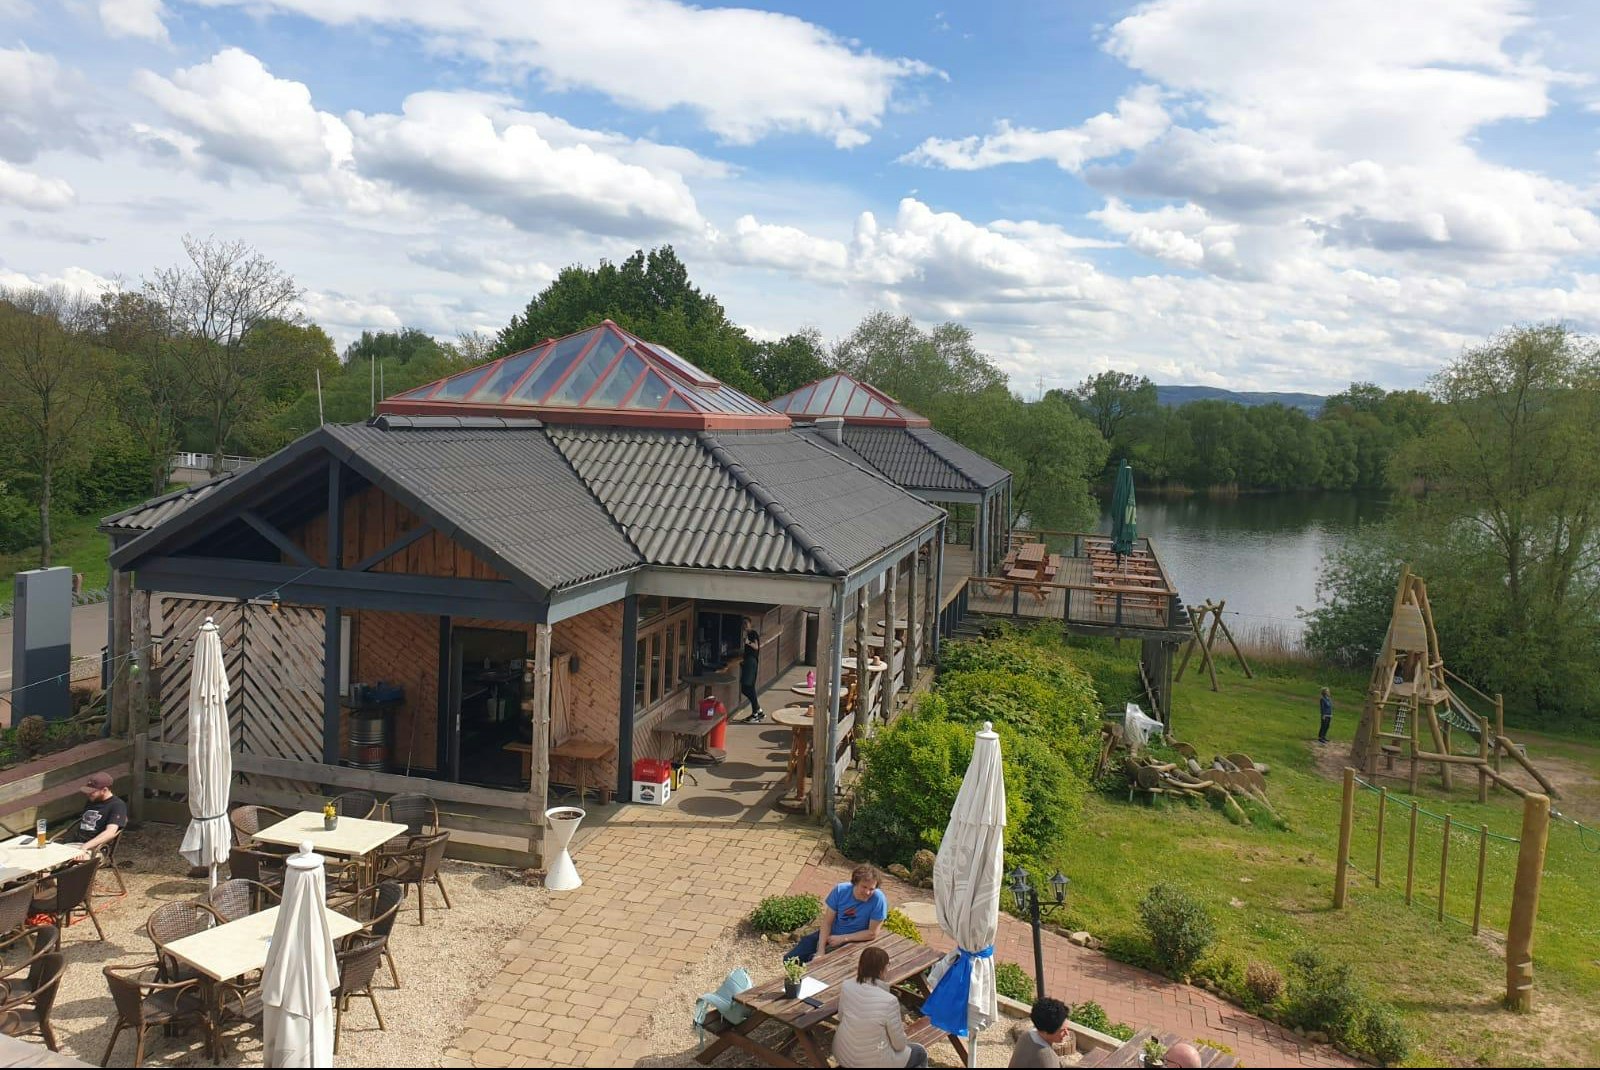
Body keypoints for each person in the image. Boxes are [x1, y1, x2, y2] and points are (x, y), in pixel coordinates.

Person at [834, 945, 927, 1068]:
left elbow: (842, 1018)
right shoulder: (889, 1001)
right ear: (881, 970)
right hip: (873, 1063)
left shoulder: (847, 986)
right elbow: (899, 1045)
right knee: (919, 1052)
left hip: (844, 1055)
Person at [786, 864, 887, 964]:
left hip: (855, 940)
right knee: (790, 959)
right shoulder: (840, 890)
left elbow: (872, 933)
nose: (868, 892)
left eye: (871, 889)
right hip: (832, 933)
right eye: (864, 887)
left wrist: (843, 938)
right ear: (855, 883)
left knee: (820, 967)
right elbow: (827, 923)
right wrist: (820, 951)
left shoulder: (878, 899)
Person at [68, 771, 128, 862]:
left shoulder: (117, 805)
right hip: (76, 844)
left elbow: (110, 832)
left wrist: (85, 847)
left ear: (104, 790)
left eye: (92, 792)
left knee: (71, 863)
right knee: (48, 859)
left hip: (97, 849)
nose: (88, 794)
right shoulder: (92, 800)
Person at [1009, 996, 1070, 1068]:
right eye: (1062, 1031)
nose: (1067, 1033)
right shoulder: (1048, 1058)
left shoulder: (1027, 1035)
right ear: (1046, 1031)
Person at [740, 625, 764, 724]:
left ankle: (756, 713)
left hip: (751, 662)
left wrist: (747, 642)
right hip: (749, 662)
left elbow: (756, 646)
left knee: (746, 688)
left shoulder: (752, 633)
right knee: (750, 688)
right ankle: (758, 711)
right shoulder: (748, 634)